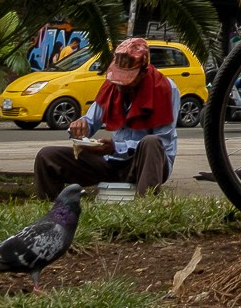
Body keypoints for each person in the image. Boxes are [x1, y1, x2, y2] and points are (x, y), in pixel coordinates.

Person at [32, 38, 179, 198]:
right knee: (46, 156)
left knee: (151, 142)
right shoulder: (112, 86)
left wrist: (116, 147)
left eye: (127, 78)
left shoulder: (165, 89)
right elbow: (90, 120)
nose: (121, 85)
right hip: (111, 162)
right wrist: (80, 127)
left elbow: (162, 144)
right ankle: (56, 213)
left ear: (143, 72)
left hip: (144, 163)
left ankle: (145, 207)